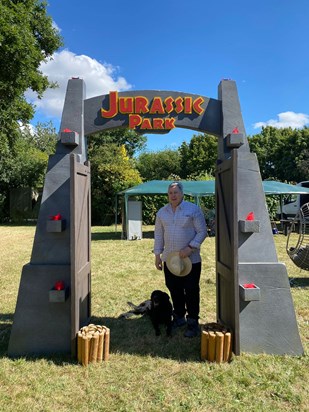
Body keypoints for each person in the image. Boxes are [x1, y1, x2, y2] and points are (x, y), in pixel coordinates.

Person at [154, 181, 207, 337]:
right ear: (168, 195)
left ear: (182, 193)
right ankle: (179, 317)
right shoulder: (162, 213)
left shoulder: (193, 210)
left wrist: (190, 248)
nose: (173, 195)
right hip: (169, 260)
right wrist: (158, 255)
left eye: (176, 192)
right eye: (170, 193)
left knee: (191, 290)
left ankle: (192, 322)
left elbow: (202, 231)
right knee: (174, 288)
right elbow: (158, 235)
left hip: (191, 260)